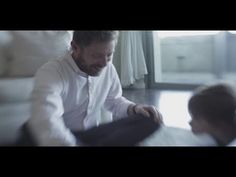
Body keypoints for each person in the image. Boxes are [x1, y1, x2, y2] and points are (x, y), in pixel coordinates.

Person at [27, 31, 163, 146]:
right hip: (55, 136)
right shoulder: (52, 72)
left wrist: (134, 108)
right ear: (75, 47)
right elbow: (48, 122)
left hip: (90, 135)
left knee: (150, 119)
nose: (104, 63)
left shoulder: (107, 67)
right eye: (96, 56)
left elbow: (115, 101)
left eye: (109, 55)